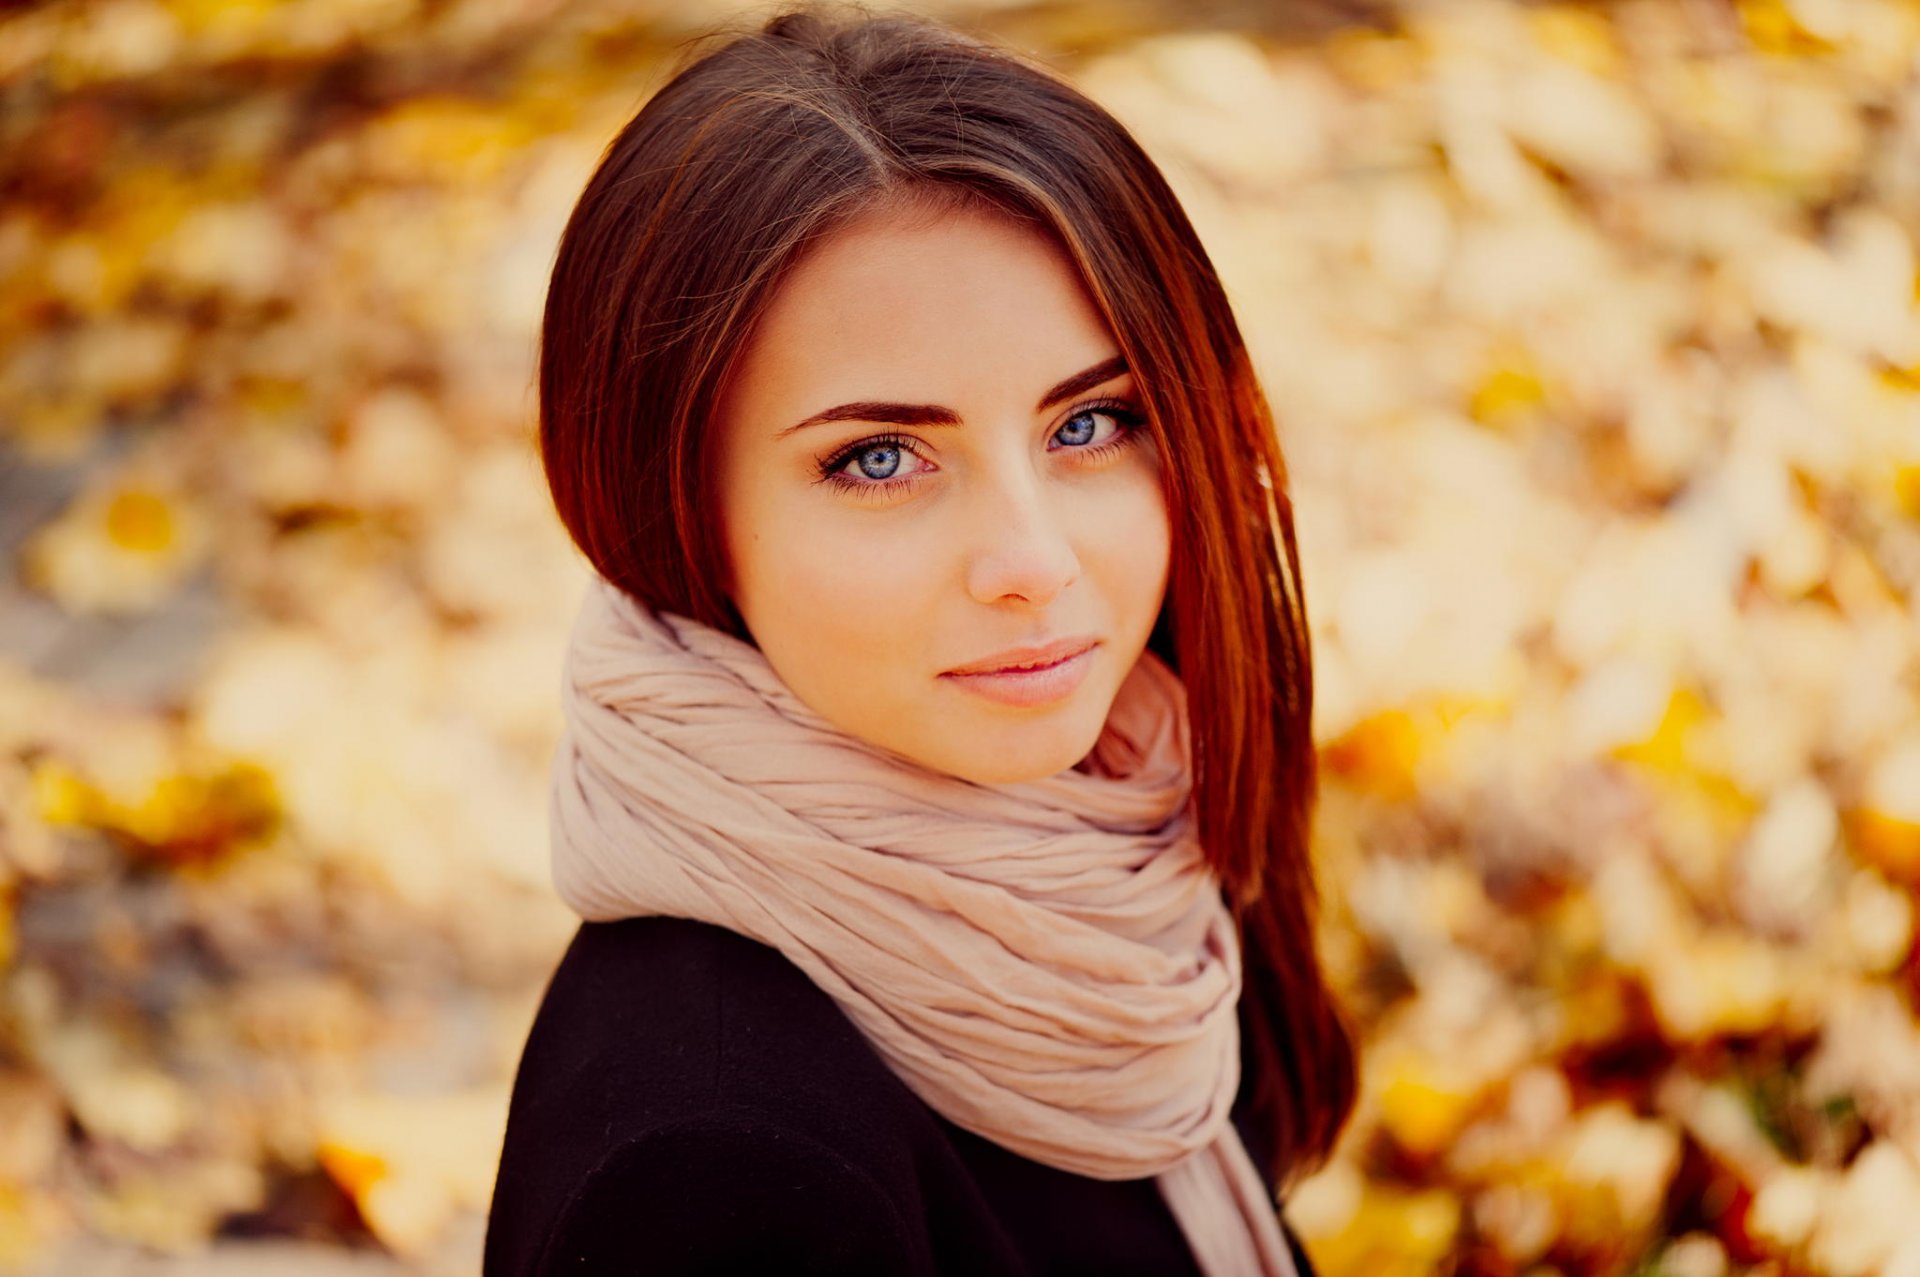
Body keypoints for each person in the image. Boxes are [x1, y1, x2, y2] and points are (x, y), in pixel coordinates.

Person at [483, 4, 1357, 1273]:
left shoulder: (1123, 872)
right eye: (881, 458)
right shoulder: (714, 1178)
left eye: (1091, 423)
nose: (1033, 562)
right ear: (678, 503)